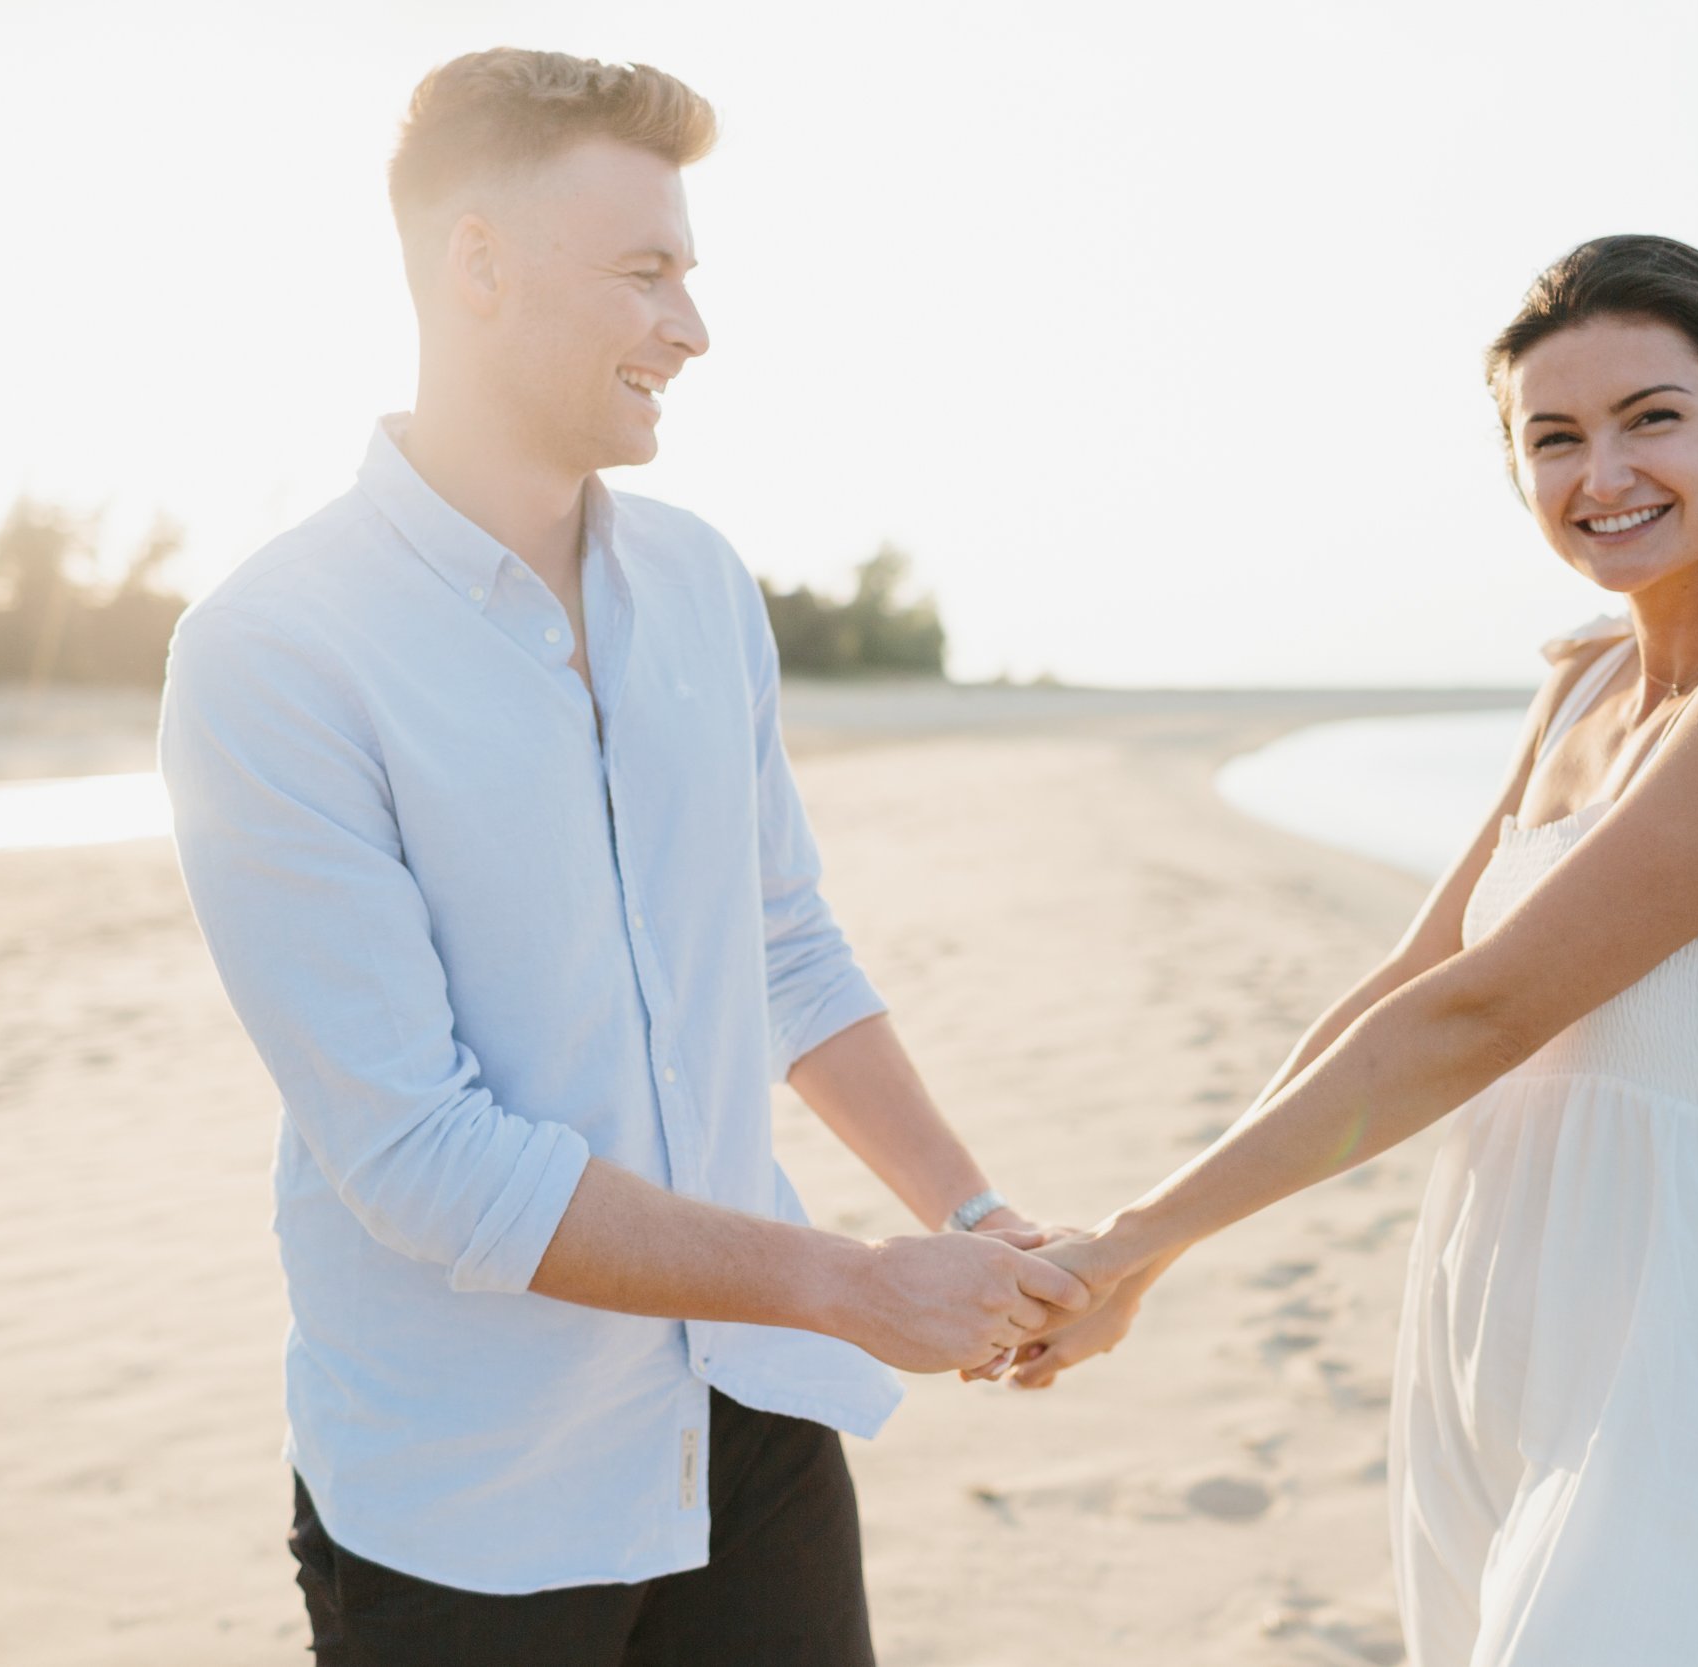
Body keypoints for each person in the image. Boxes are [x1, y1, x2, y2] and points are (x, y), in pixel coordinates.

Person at [157, 48, 1082, 1667]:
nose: (693, 327)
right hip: (468, 1499)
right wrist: (860, 1288)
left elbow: (785, 947)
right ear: (479, 267)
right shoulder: (273, 652)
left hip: (752, 1420)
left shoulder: (702, 586)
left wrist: (969, 1206)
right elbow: (426, 1159)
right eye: (646, 273)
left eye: (690, 274)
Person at [1021, 235, 1698, 1664]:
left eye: (1653, 418)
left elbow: (1486, 1013)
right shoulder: (1587, 684)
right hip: (1497, 1275)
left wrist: (1133, 1242)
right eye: (1555, 439)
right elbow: (1414, 981)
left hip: (1688, 1305)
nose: (1601, 475)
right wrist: (1152, 1251)